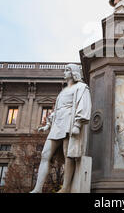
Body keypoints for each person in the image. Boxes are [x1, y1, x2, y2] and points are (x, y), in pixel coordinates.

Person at [30, 64, 91, 193]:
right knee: (45, 154)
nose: (64, 72)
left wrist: (77, 124)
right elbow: (58, 109)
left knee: (68, 154)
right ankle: (37, 189)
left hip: (69, 123)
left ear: (73, 73)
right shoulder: (63, 91)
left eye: (67, 70)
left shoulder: (81, 87)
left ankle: (66, 187)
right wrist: (47, 124)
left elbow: (83, 105)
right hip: (57, 125)